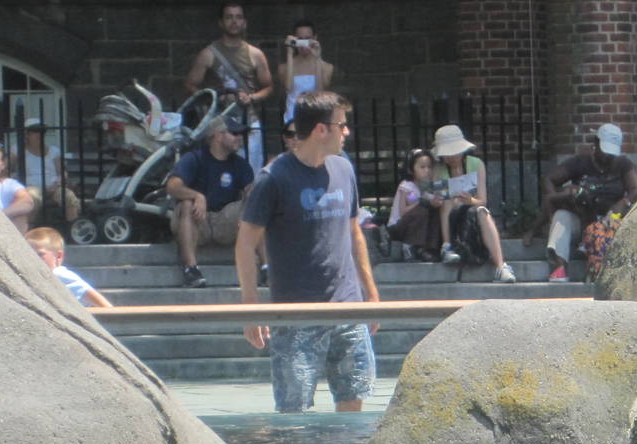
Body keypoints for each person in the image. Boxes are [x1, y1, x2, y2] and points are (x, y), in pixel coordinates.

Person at [237, 90, 380, 413]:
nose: (347, 132)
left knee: (354, 401)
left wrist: (370, 295)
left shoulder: (344, 169)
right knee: (294, 412)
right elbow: (245, 243)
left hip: (347, 308)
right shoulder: (274, 178)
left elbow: (353, 231)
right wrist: (251, 308)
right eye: (341, 125)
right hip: (296, 312)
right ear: (320, 129)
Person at [540, 122, 637, 282]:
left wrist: (623, 204)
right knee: (561, 216)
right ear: (595, 144)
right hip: (581, 217)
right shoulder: (580, 162)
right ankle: (559, 265)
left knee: (611, 227)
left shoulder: (623, 165)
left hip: (609, 219)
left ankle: (599, 269)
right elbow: (549, 179)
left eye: (612, 152)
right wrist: (554, 204)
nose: (608, 156)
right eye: (605, 150)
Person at [166, 112, 256, 288]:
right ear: (217, 135)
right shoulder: (194, 158)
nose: (239, 138)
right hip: (200, 222)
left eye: (240, 134)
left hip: (225, 222)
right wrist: (197, 195)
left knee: (256, 200)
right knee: (186, 204)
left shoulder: (240, 163)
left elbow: (251, 192)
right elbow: (172, 186)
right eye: (234, 133)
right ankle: (191, 269)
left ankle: (266, 268)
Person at [184, 2, 273, 167]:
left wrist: (251, 97)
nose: (234, 21)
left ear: (244, 22)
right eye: (229, 17)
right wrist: (214, 98)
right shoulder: (208, 54)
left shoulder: (256, 54)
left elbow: (268, 87)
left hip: (249, 122)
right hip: (220, 124)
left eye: (238, 17)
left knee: (251, 174)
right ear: (221, 22)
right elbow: (191, 85)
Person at [430, 124, 516, 283]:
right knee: (447, 202)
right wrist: (437, 201)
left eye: (454, 152)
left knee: (482, 211)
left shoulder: (476, 164)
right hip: (450, 218)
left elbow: (482, 200)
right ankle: (447, 246)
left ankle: (501, 265)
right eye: (447, 154)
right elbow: (437, 199)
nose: (451, 157)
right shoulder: (439, 170)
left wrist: (469, 200)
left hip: (471, 214)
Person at [25, 226, 111, 308]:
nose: (33, 259)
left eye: (40, 254)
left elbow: (89, 293)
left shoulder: (59, 275)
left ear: (58, 256)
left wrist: (111, 314)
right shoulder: (33, 275)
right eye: (28, 254)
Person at [383, 148, 440, 262]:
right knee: (422, 210)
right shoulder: (407, 186)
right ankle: (409, 246)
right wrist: (422, 201)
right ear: (411, 169)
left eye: (429, 167)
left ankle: (429, 248)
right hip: (398, 227)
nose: (427, 171)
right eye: (422, 167)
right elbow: (404, 211)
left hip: (416, 226)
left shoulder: (428, 188)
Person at [21, 117, 81, 224]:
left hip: (53, 187)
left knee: (68, 196)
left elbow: (62, 172)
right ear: (27, 134)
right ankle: (27, 229)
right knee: (31, 197)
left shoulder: (54, 151)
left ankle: (73, 228)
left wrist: (58, 184)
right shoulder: (19, 150)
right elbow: (6, 166)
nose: (39, 134)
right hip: (32, 188)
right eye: (35, 131)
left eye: (42, 131)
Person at [276, 18, 334, 124]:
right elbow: (289, 87)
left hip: (316, 120)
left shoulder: (327, 67)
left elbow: (320, 91)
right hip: (292, 120)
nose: (303, 43)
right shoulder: (284, 67)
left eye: (307, 39)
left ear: (315, 38)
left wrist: (317, 58)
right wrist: (289, 52)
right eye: (300, 39)